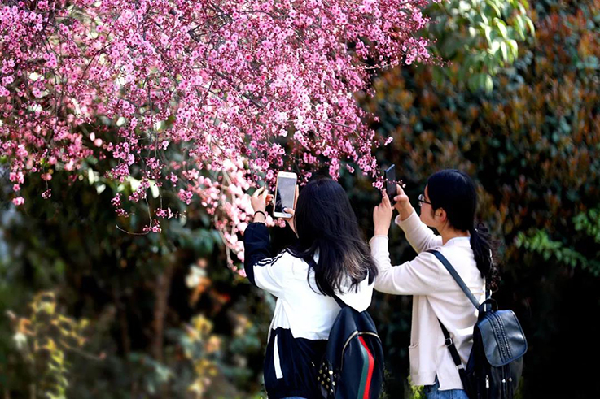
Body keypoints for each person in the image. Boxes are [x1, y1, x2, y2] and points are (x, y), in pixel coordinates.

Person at [244, 177, 378, 399]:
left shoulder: (293, 267)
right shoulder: (362, 269)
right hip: (338, 386)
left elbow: (256, 269)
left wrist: (258, 216)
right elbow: (322, 255)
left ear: (306, 217)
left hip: (297, 384)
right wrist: (301, 230)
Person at [371, 169, 499, 399]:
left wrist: (380, 231)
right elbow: (432, 245)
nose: (420, 201)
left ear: (441, 214)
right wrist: (407, 211)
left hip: (447, 385)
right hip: (466, 376)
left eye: (424, 199)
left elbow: (382, 278)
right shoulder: (475, 246)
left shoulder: (439, 263)